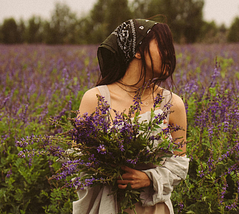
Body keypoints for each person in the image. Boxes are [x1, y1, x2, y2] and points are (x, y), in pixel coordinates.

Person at [73, 18, 189, 214]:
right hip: (108, 206)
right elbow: (77, 164)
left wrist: (149, 178)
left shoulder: (173, 104)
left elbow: (179, 165)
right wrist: (108, 171)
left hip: (153, 208)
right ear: (137, 50)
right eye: (162, 46)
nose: (170, 53)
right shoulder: (96, 99)